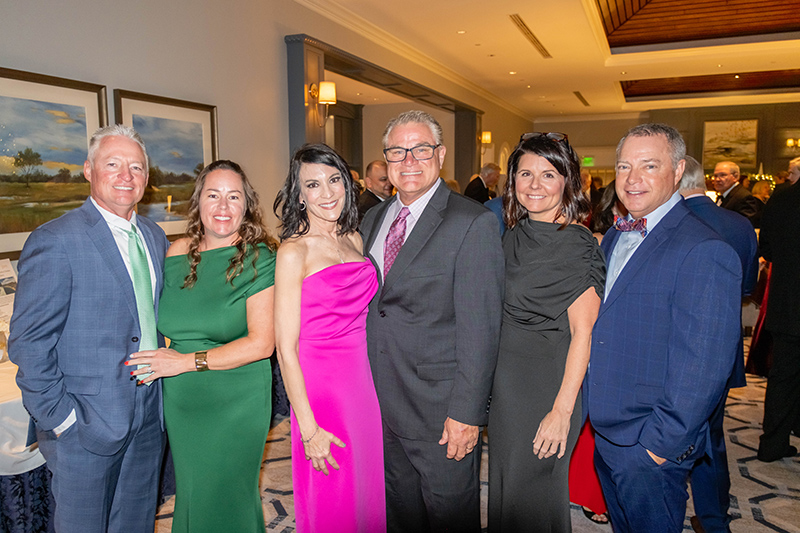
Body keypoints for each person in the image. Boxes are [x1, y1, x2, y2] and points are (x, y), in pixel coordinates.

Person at [9, 124, 170, 532]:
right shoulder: (56, 240)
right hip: (84, 425)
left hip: (149, 417)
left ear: (146, 178)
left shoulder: (154, 237)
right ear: (88, 170)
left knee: (136, 523)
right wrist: (62, 420)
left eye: (136, 167)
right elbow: (29, 343)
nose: (126, 176)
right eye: (112, 164)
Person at [586, 123, 742, 533]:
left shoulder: (704, 248)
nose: (632, 179)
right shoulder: (615, 236)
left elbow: (705, 363)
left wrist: (658, 446)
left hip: (648, 443)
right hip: (608, 430)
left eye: (649, 166)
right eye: (624, 166)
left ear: (678, 171)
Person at [361, 110, 503, 532]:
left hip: (440, 411)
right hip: (379, 400)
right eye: (397, 151)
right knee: (400, 512)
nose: (408, 161)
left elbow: (481, 331)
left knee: (449, 515)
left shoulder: (472, 222)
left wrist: (467, 414)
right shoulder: (372, 219)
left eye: (420, 150)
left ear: (440, 155)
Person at [128, 160, 277, 532]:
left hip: (237, 399)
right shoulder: (175, 252)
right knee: (194, 493)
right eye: (213, 195)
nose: (223, 206)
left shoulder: (260, 258)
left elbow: (261, 344)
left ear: (247, 205)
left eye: (234, 197)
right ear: (198, 202)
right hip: (184, 401)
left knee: (227, 494)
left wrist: (183, 362)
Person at [488, 132, 604, 532]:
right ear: (512, 181)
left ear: (567, 181)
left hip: (548, 388)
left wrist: (561, 412)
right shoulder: (512, 234)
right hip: (507, 387)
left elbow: (583, 334)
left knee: (534, 495)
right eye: (525, 174)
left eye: (548, 174)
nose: (534, 185)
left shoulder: (578, 245)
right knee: (507, 488)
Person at [273, 143, 385, 533]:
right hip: (321, 389)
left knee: (366, 489)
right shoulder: (293, 252)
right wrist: (308, 428)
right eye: (313, 185)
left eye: (334, 180)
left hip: (362, 383)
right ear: (299, 196)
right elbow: (285, 349)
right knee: (333, 495)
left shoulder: (354, 238)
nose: (327, 193)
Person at [679, 155, 758, 533]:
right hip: (724, 345)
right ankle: (714, 516)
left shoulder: (670, 223)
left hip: (677, 347)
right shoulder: (740, 224)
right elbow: (747, 288)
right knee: (711, 434)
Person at [756, 156, 800, 463]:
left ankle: (772, 444)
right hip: (788, 304)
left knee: (782, 376)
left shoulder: (781, 198)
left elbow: (767, 248)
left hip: (788, 304)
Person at [712, 161, 758, 225]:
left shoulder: (744, 197)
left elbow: (744, 225)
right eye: (715, 176)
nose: (717, 179)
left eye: (723, 175)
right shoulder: (724, 195)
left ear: (735, 177)